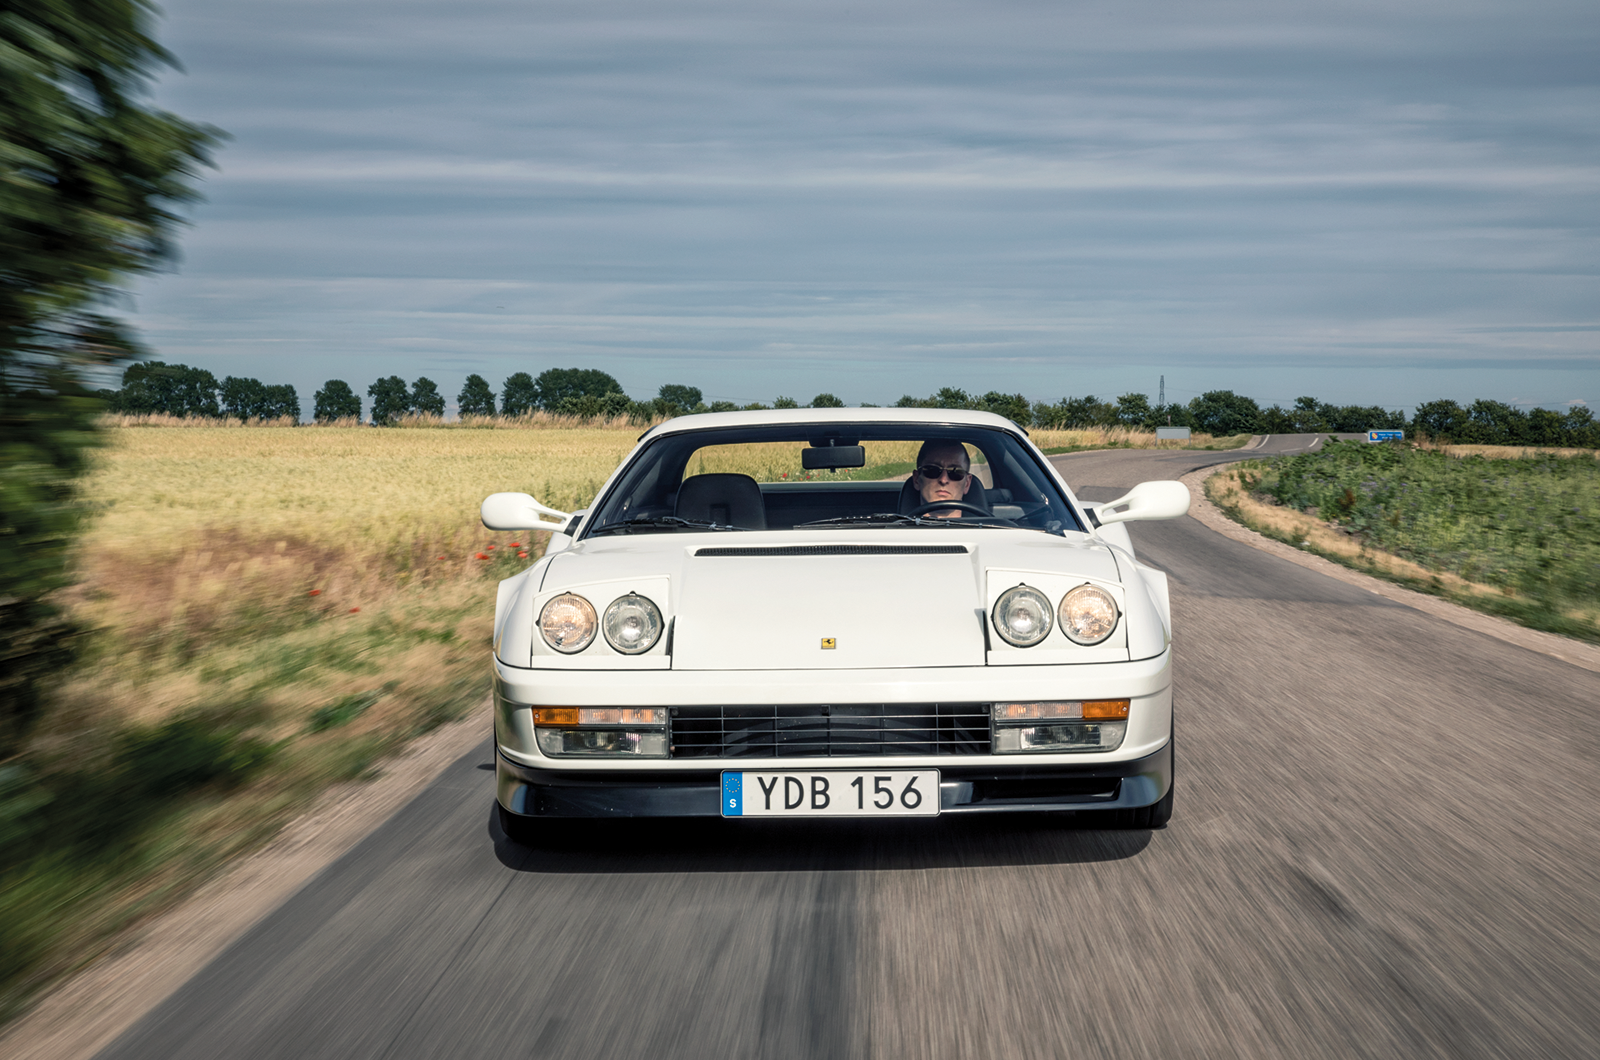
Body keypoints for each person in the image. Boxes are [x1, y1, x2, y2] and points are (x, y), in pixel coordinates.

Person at [910, 440, 977, 518]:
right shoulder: (898, 525)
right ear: (916, 479)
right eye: (932, 470)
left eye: (955, 472)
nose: (943, 480)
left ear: (967, 483)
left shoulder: (986, 525)